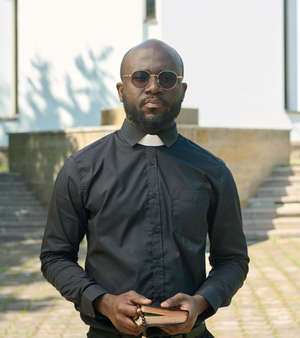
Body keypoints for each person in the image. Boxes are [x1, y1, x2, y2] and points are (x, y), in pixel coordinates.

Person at [40, 39, 249, 338]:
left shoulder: (212, 171)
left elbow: (233, 260)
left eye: (166, 78)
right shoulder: (82, 169)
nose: (153, 87)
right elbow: (55, 257)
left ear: (182, 90)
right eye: (140, 77)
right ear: (121, 90)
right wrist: (102, 302)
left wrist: (201, 302)